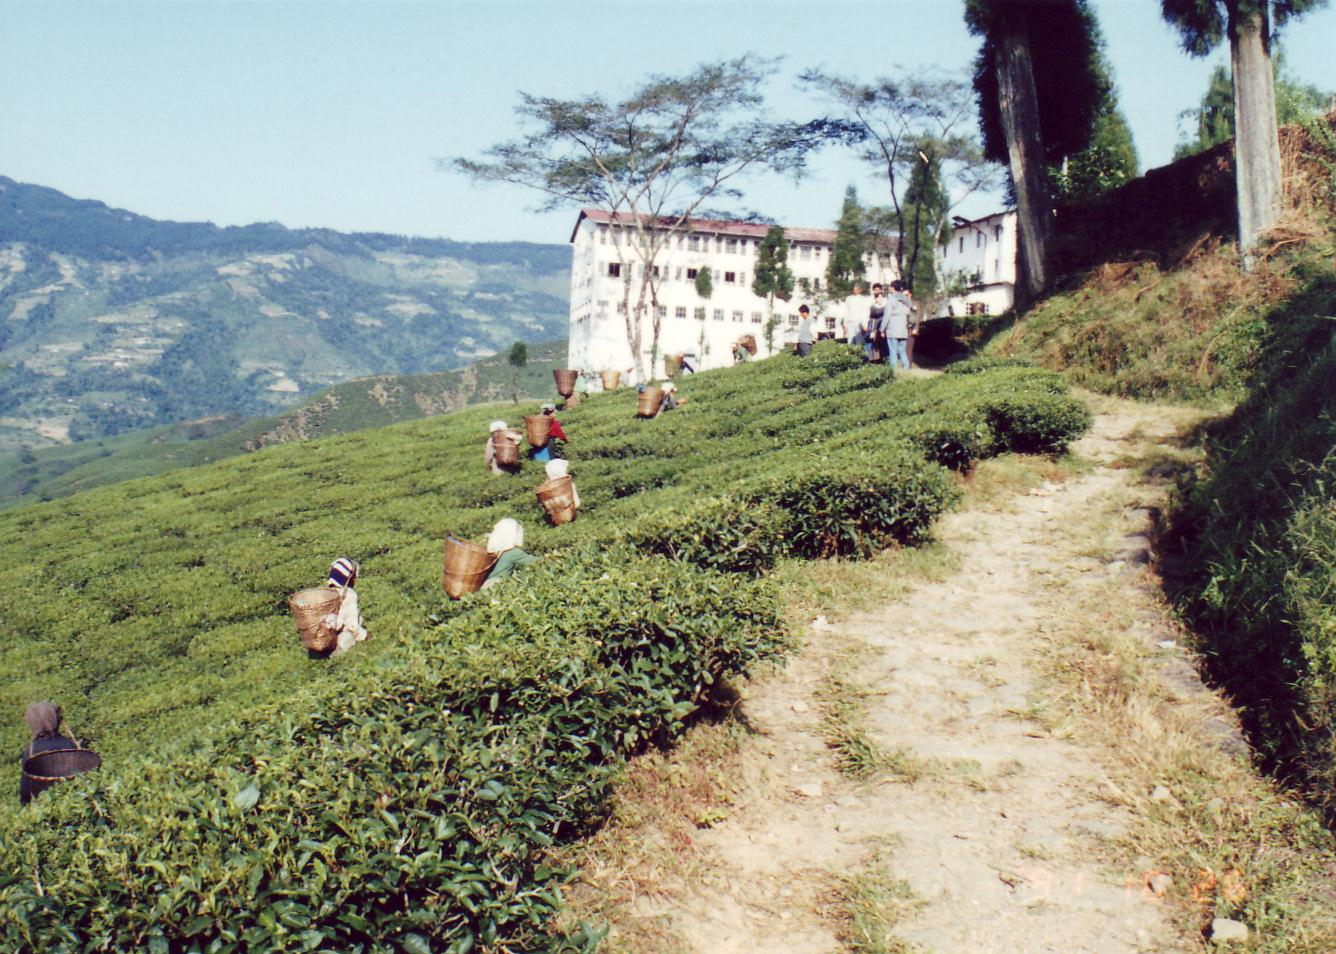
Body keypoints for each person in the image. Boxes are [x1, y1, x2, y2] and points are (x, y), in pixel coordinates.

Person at [19, 702, 76, 806]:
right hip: (73, 802)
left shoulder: (31, 751)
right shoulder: (69, 744)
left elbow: (25, 791)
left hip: (45, 807)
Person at [320, 557, 368, 656]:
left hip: (323, 635)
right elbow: (352, 626)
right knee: (348, 635)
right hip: (338, 635)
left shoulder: (325, 593)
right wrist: (366, 636)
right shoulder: (349, 595)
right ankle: (338, 653)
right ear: (348, 577)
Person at [482, 518, 537, 588]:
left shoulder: (495, 549)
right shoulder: (512, 552)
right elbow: (537, 562)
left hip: (485, 585)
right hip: (497, 587)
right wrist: (552, 557)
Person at [884, 280, 913, 370]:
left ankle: (893, 368)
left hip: (892, 329)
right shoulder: (906, 300)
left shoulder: (891, 300)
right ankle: (906, 366)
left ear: (892, 288)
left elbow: (887, 315)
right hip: (903, 329)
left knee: (892, 350)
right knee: (902, 350)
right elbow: (910, 313)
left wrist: (882, 328)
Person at [904, 287, 922, 368]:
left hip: (911, 328)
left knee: (909, 348)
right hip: (902, 328)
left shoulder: (915, 303)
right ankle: (904, 365)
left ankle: (908, 366)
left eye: (906, 295)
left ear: (910, 295)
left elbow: (918, 317)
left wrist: (916, 328)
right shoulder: (902, 304)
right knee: (902, 348)